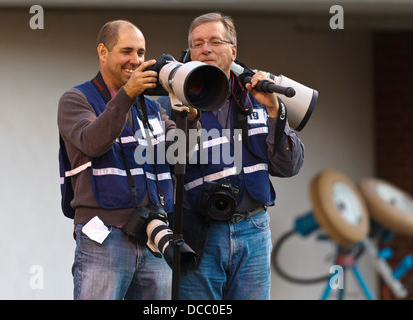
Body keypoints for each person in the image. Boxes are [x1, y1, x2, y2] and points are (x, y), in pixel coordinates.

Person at [158, 12, 305, 300]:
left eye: (215, 41)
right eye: (198, 44)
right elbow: (164, 168)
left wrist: (276, 111)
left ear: (233, 50)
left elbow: (288, 166)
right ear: (189, 53)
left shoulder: (259, 100)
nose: (206, 49)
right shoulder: (172, 103)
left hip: (254, 228)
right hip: (199, 233)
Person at [57, 20, 195, 300]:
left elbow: (183, 153)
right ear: (103, 52)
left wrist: (190, 117)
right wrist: (127, 95)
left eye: (141, 53)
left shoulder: (153, 109)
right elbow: (92, 142)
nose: (136, 60)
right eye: (127, 51)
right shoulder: (76, 99)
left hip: (154, 236)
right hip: (103, 236)